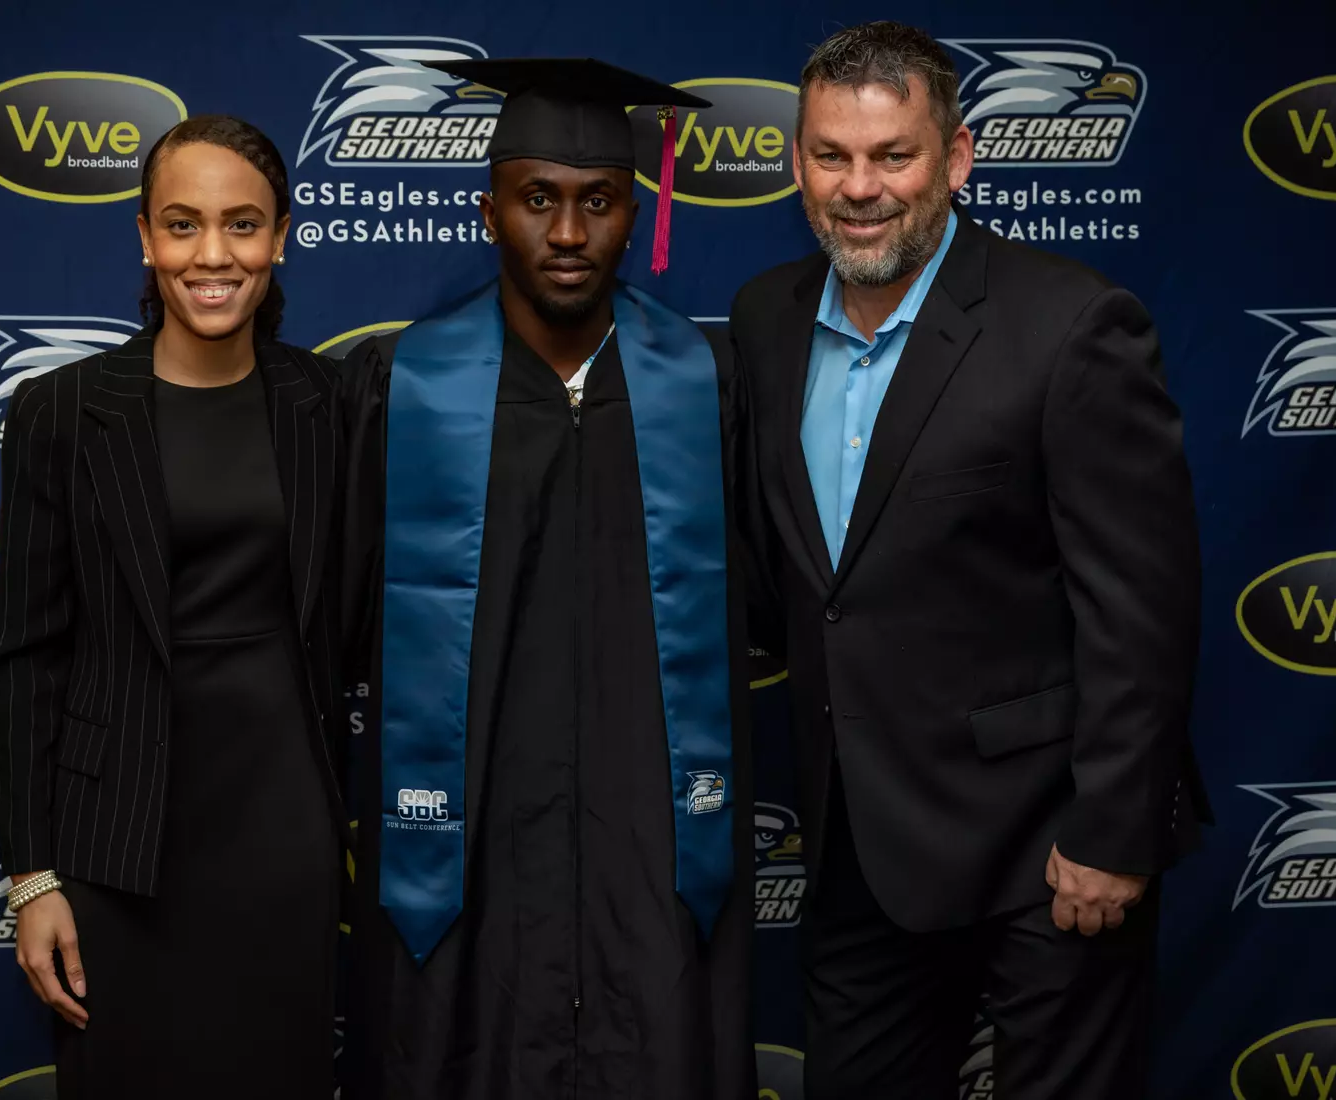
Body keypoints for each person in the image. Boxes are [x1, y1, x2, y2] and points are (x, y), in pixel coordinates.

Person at [728, 22, 1209, 1100]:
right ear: (796, 159)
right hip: (857, 844)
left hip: (1048, 850)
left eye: (892, 155)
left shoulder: (1070, 325)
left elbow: (1143, 606)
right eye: (830, 155)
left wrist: (1113, 832)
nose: (860, 188)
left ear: (956, 159)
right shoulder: (763, 321)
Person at [337, 58, 756, 1100]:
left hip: (649, 856)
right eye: (537, 200)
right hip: (467, 860)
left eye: (599, 202)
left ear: (635, 211)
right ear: (488, 212)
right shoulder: (403, 385)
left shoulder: (706, 385)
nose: (568, 234)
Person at [0, 114, 347, 1097]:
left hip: (285, 830)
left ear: (279, 236)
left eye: (241, 224)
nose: (212, 254)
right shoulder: (60, 410)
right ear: (145, 237)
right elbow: (23, 655)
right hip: (117, 842)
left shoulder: (336, 403)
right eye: (183, 225)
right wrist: (33, 876)